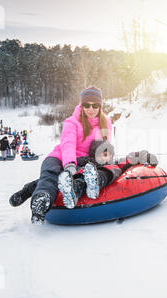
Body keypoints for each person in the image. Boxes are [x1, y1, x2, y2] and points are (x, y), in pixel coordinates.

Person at [28, 86, 113, 224]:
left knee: (82, 175)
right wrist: (69, 164)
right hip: (60, 157)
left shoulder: (105, 122)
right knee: (51, 175)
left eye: (95, 105)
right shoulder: (72, 122)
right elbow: (68, 144)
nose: (91, 109)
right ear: (81, 105)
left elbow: (105, 146)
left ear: (100, 106)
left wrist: (106, 158)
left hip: (84, 161)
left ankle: (69, 190)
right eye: (87, 105)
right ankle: (40, 203)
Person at [9, 139, 158, 209]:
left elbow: (131, 157)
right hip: (76, 177)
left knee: (104, 172)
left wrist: (144, 155)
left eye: (109, 153)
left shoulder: (114, 164)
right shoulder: (85, 160)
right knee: (49, 180)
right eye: (102, 153)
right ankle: (25, 193)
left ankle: (82, 188)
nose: (106, 156)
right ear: (94, 154)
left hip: (101, 176)